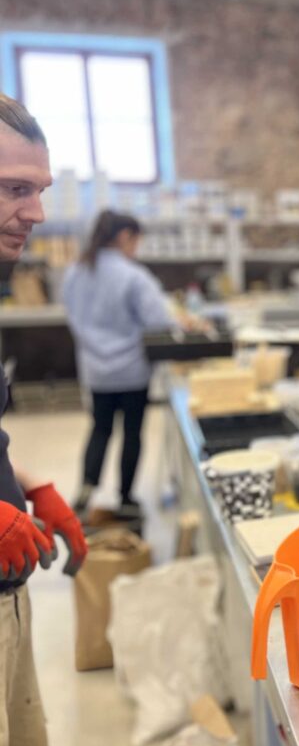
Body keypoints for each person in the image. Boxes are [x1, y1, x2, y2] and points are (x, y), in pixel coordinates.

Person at [0, 92, 88, 746]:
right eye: (13, 189)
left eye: (39, 191)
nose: (35, 212)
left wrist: (29, 484)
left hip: (9, 584)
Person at [63, 210, 176, 516]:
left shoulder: (75, 272)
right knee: (131, 432)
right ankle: (126, 498)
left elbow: (72, 315)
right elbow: (159, 321)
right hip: (131, 370)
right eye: (136, 241)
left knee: (100, 429)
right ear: (125, 236)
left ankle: (86, 490)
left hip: (96, 370)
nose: (136, 248)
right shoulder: (133, 276)